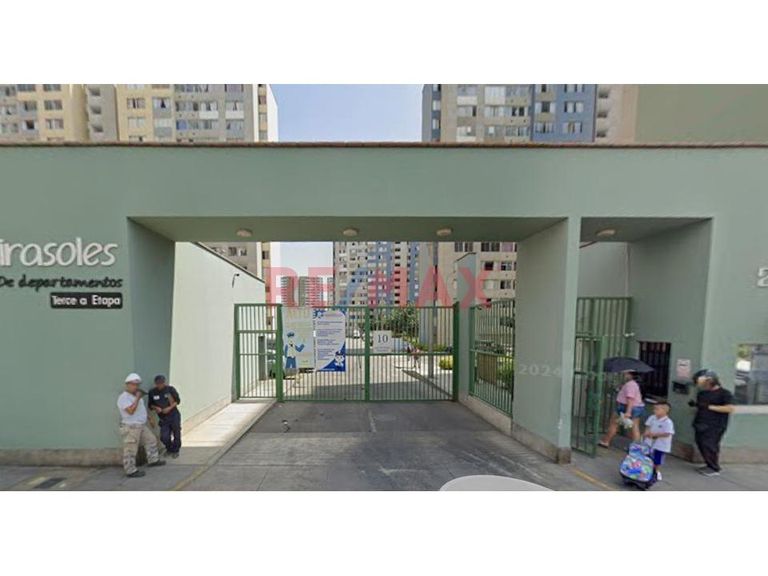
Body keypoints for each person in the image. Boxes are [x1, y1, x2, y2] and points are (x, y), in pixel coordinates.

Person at [117, 373, 165, 477]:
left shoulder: (137, 397)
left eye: (137, 385)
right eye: (133, 384)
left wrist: (149, 418)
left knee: (151, 440)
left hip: (141, 425)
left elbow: (141, 410)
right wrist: (138, 398)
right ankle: (130, 470)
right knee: (130, 449)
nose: (136, 387)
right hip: (131, 427)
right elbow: (130, 411)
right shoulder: (123, 397)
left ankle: (153, 460)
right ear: (127, 385)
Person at [689, 369, 735, 477]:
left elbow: (729, 408)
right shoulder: (702, 393)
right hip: (701, 423)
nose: (701, 385)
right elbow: (701, 407)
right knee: (701, 444)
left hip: (716, 425)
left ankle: (714, 467)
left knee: (710, 445)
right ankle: (708, 464)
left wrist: (709, 407)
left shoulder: (724, 393)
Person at [599, 370, 645, 447]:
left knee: (614, 424)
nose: (624, 374)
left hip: (625, 406)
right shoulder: (633, 384)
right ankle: (637, 448)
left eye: (626, 373)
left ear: (630, 375)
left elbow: (630, 399)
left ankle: (605, 441)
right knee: (634, 427)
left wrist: (628, 411)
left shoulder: (630, 385)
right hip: (636, 407)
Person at [148, 374, 182, 458]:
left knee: (176, 433)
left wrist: (169, 408)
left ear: (164, 382)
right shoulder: (152, 392)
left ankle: (175, 450)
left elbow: (177, 401)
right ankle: (169, 448)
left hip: (174, 415)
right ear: (155, 383)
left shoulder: (170, 389)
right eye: (158, 383)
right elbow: (150, 405)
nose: (160, 385)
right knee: (164, 437)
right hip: (163, 418)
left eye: (161, 383)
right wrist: (156, 408)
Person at [643, 402, 675, 482]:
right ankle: (645, 470)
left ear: (665, 411)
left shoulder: (668, 422)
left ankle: (656, 471)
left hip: (661, 445)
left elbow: (667, 433)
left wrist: (655, 434)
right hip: (649, 442)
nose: (655, 410)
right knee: (647, 456)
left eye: (657, 409)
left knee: (658, 459)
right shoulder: (652, 418)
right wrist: (647, 433)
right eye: (654, 409)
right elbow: (648, 426)